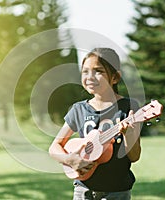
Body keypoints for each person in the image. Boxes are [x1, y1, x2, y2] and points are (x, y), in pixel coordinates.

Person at [49, 48, 141, 200]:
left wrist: (129, 134)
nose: (90, 76)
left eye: (98, 71)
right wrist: (69, 159)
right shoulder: (79, 109)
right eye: (85, 71)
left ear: (115, 77)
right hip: (83, 191)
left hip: (117, 192)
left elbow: (135, 156)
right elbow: (54, 147)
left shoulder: (128, 107)